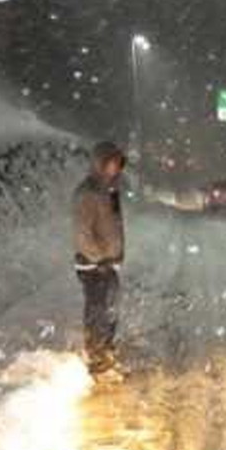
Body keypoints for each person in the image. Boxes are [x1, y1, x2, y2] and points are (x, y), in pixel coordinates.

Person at [72, 141, 126, 378]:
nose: (114, 168)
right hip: (92, 263)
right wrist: (98, 258)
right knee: (97, 310)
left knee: (111, 306)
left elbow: (114, 223)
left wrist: (117, 253)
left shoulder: (110, 190)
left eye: (117, 164)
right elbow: (82, 233)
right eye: (110, 163)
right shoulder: (87, 193)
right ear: (99, 163)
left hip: (108, 261)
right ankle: (95, 356)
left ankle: (106, 349)